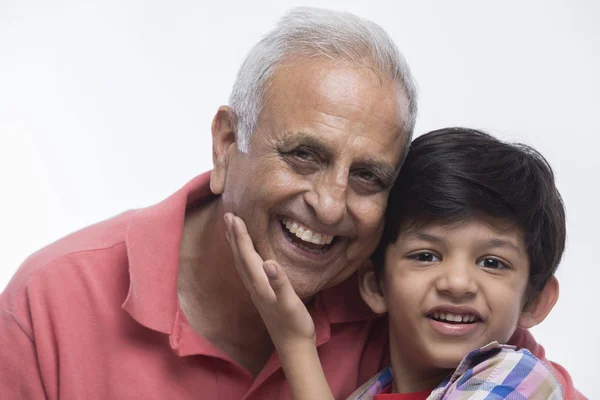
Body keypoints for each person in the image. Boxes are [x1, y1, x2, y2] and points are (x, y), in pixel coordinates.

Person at [0, 7, 581, 399]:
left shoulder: (413, 302)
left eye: (368, 177)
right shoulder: (51, 303)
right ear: (228, 144)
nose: (329, 207)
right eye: (304, 155)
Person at [226, 127, 585, 399]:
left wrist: (295, 343)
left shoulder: (521, 378)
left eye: (492, 262)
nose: (457, 282)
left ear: (535, 300)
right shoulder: (371, 391)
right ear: (375, 284)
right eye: (426, 256)